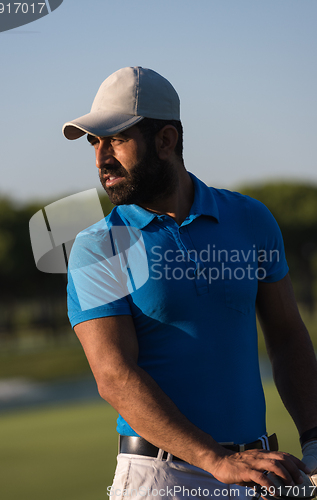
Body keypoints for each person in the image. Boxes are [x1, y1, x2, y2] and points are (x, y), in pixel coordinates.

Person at [62, 67, 317, 499]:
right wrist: (215, 460)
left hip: (256, 475)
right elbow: (115, 376)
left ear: (166, 141)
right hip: (160, 480)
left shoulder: (252, 219)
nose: (101, 157)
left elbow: (288, 336)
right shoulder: (96, 248)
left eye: (117, 139)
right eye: (94, 142)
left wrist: (314, 440)